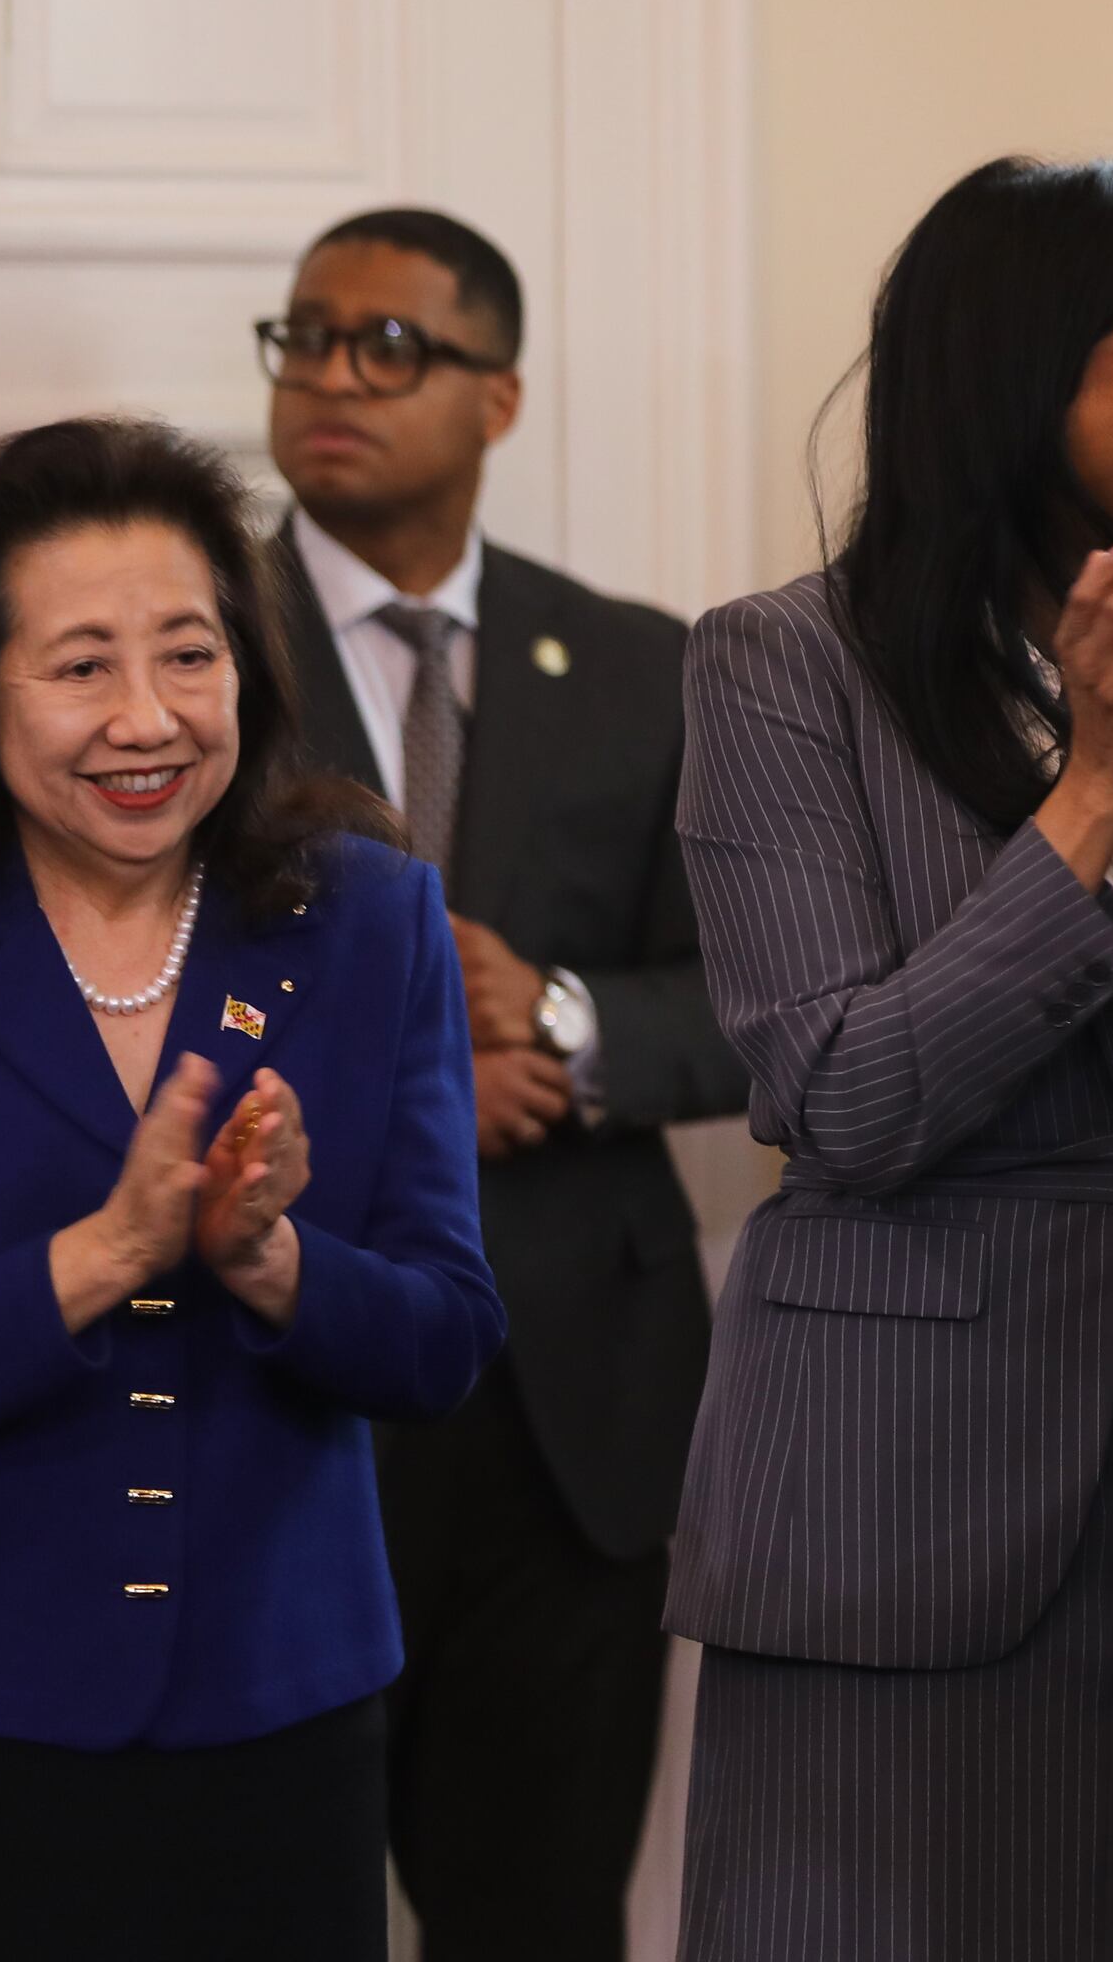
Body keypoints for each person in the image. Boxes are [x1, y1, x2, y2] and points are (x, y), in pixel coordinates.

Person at [665, 157, 1113, 1962]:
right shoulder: (783, 672)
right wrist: (1089, 799)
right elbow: (846, 1100)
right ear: (1017, 369)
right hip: (890, 1498)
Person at [0, 418, 503, 1961]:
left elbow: (445, 1338)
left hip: (280, 1723)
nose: (146, 719)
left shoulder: (369, 920)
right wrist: (109, 1252)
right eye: (79, 666)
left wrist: (269, 1261)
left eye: (188, 656)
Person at [256, 205, 750, 1962]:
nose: (330, 376)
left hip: (573, 1430)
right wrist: (414, 1091)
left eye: (389, 346)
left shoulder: (638, 662)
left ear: (501, 396)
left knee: (542, 1923)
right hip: (274, 1395)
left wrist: (563, 1021)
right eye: (305, 337)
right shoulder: (187, 648)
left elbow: (759, 1004)